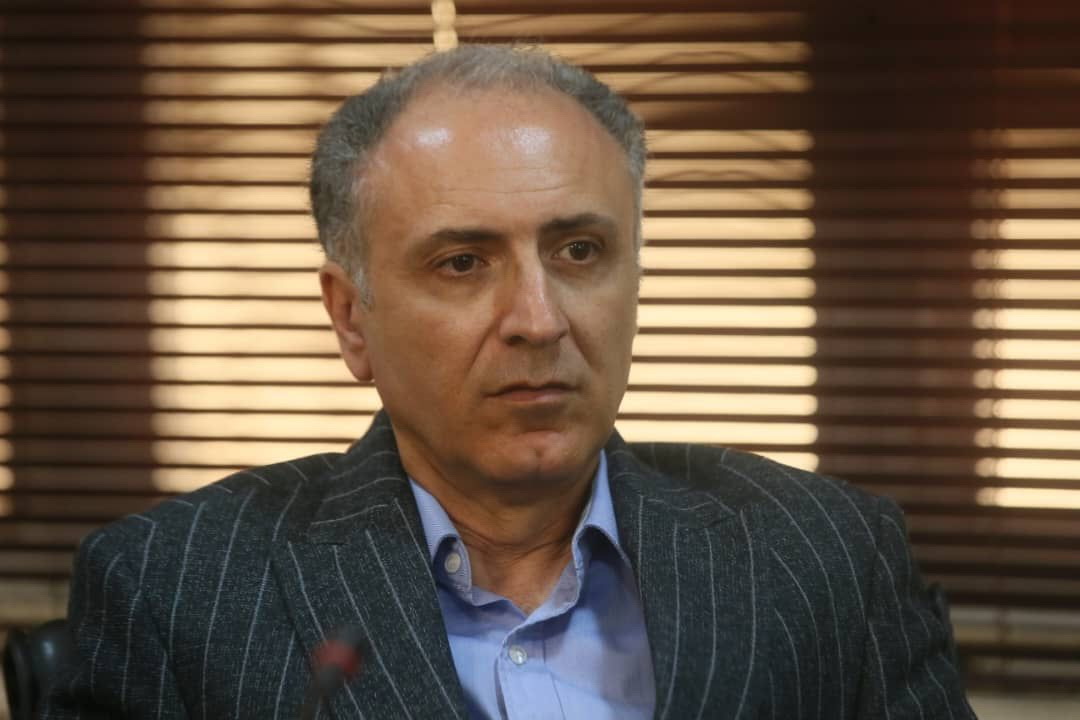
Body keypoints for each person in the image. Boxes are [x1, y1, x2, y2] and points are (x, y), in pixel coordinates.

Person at [43, 44, 976, 719]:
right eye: (462, 263)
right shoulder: (177, 590)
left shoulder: (826, 555)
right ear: (351, 317)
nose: (539, 318)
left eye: (580, 251)